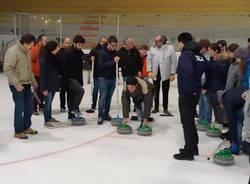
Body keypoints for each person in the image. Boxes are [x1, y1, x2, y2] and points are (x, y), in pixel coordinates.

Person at [173, 32, 209, 160]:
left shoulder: (186, 55)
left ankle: (189, 151)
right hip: (195, 93)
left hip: (187, 94)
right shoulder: (199, 55)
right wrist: (204, 87)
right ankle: (193, 147)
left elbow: (187, 72)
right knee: (190, 122)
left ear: (182, 42)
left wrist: (188, 91)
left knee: (186, 122)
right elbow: (209, 69)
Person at [4, 33, 38, 139]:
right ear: (26, 43)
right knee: (20, 107)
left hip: (27, 83)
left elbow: (29, 68)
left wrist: (33, 80)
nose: (32, 46)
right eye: (31, 44)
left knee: (29, 107)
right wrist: (17, 84)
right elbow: (8, 69)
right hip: (17, 85)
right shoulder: (13, 51)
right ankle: (18, 131)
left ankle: (26, 127)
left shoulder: (26, 51)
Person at [223, 48, 249, 154]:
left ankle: (238, 143)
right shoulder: (245, 66)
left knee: (238, 119)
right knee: (240, 118)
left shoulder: (238, 67)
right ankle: (240, 143)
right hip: (242, 96)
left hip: (242, 97)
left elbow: (231, 122)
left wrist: (233, 142)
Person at [147, 35, 177, 116]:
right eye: (156, 41)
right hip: (155, 73)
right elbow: (149, 60)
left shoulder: (170, 48)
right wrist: (149, 71)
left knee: (165, 91)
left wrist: (172, 73)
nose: (157, 43)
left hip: (166, 73)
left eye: (158, 41)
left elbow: (173, 61)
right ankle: (156, 107)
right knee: (155, 91)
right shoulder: (152, 48)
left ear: (162, 41)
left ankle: (165, 108)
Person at [96, 35, 119, 125]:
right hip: (103, 79)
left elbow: (117, 64)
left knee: (109, 98)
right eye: (112, 45)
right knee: (103, 97)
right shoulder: (101, 52)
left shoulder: (115, 52)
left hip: (112, 79)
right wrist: (113, 61)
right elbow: (101, 65)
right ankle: (100, 116)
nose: (114, 47)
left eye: (115, 45)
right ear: (108, 44)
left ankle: (106, 114)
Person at [205, 43, 230, 125]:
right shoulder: (211, 60)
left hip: (219, 88)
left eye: (210, 50)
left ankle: (220, 123)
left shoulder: (222, 62)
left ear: (216, 51)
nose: (209, 52)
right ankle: (217, 121)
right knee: (214, 107)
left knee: (219, 107)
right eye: (208, 50)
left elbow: (224, 76)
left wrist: (222, 88)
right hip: (211, 88)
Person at [39, 41, 61, 128]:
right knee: (47, 103)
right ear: (52, 49)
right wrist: (43, 88)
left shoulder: (54, 57)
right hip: (47, 85)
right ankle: (46, 120)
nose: (58, 49)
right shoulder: (44, 59)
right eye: (57, 48)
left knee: (50, 102)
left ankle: (50, 117)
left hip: (53, 83)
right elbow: (43, 75)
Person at [86, 36, 107, 113]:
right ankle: (94, 104)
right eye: (102, 42)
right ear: (100, 42)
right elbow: (88, 59)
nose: (104, 43)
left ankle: (102, 105)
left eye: (105, 42)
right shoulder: (94, 50)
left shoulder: (107, 50)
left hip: (105, 75)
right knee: (95, 90)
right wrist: (91, 59)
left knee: (103, 91)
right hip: (97, 74)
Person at [67, 35, 86, 119]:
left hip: (78, 77)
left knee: (74, 95)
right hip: (70, 77)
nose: (80, 46)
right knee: (80, 91)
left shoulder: (80, 53)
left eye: (81, 45)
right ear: (74, 43)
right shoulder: (69, 52)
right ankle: (74, 108)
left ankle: (71, 114)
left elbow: (80, 67)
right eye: (79, 44)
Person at [31, 34, 48, 115]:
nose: (46, 43)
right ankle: (33, 108)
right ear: (40, 42)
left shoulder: (44, 49)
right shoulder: (35, 49)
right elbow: (30, 62)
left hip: (43, 74)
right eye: (45, 41)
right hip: (36, 75)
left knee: (42, 90)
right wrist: (38, 70)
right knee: (37, 92)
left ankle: (41, 105)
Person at [198, 39, 212, 125]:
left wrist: (206, 85)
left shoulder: (209, 57)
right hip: (200, 81)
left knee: (206, 101)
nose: (201, 50)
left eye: (202, 48)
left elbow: (209, 72)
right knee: (200, 101)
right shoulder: (200, 55)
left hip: (206, 81)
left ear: (205, 48)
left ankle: (207, 120)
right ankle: (201, 118)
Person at [57, 37, 72, 112]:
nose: (69, 44)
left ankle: (70, 106)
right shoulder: (60, 52)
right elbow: (57, 64)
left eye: (70, 43)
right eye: (67, 43)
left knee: (70, 92)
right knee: (63, 92)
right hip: (62, 76)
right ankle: (62, 106)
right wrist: (59, 74)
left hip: (70, 76)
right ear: (63, 43)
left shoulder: (72, 51)